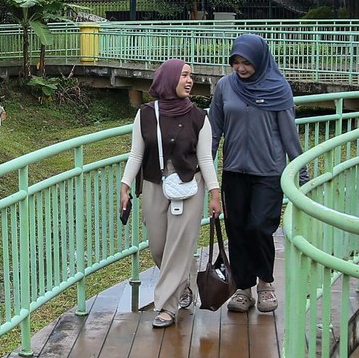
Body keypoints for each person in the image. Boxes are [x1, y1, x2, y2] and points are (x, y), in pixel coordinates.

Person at [208, 33, 307, 313]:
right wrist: (204, 169)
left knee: (260, 226)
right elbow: (214, 131)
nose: (241, 68)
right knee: (237, 229)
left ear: (260, 61)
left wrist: (302, 175)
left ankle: (265, 283)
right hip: (234, 171)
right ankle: (243, 288)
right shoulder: (226, 87)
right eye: (236, 62)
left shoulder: (279, 88)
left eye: (247, 63)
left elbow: (290, 136)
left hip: (268, 172)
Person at [120, 58, 222, 328]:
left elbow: (206, 159)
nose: (189, 81)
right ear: (168, 79)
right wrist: (125, 185)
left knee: (177, 247)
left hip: (190, 187)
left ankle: (166, 306)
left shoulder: (199, 117)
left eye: (191, 76)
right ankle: (184, 282)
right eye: (184, 76)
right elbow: (136, 153)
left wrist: (214, 192)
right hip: (155, 184)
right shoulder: (145, 114)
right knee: (158, 247)